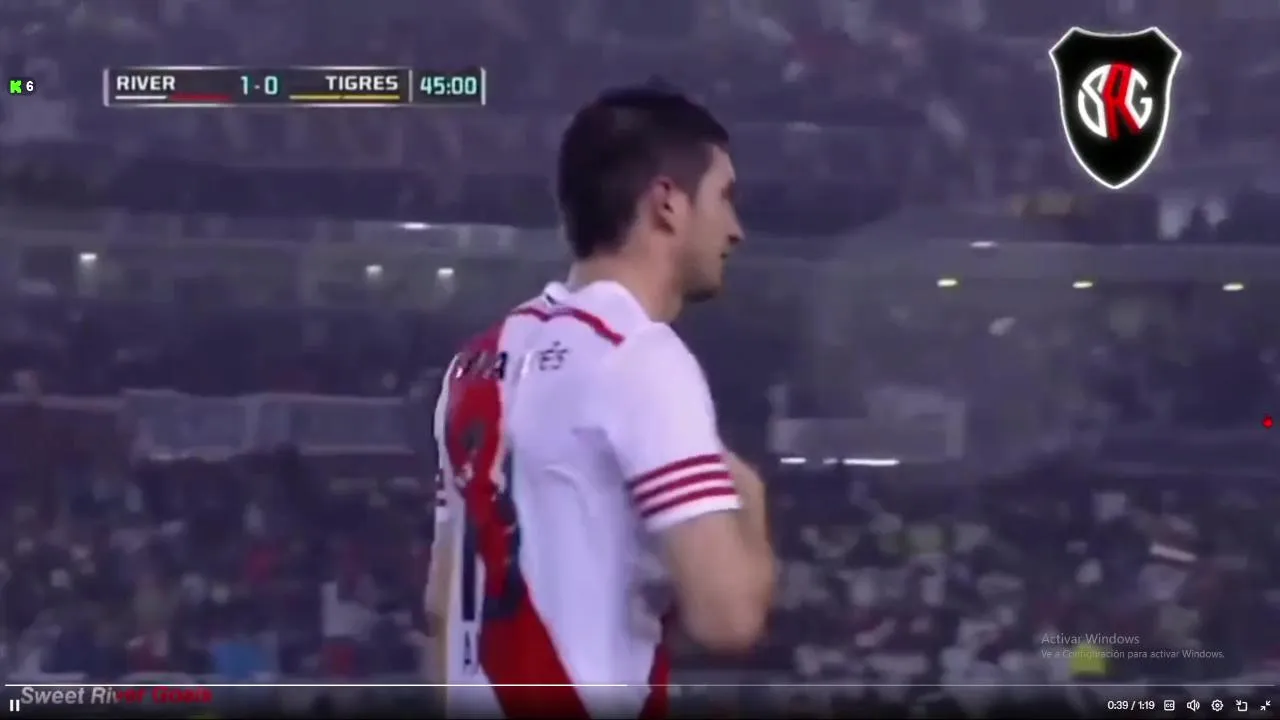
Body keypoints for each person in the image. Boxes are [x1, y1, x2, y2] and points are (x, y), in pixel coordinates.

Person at [429, 84, 776, 719]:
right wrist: (751, 503)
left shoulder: (474, 362)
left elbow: (441, 609)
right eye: (724, 198)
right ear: (667, 202)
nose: (737, 230)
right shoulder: (638, 356)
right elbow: (728, 618)